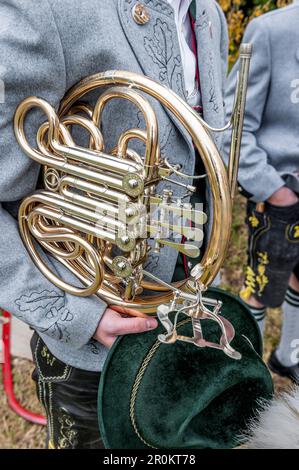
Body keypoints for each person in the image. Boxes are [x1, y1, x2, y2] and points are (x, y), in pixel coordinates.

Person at [0, 0, 229, 448]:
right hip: (96, 345)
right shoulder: (44, 8)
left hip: (187, 314)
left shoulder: (209, 13)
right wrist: (76, 315)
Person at [224, 1, 299, 384]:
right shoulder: (269, 32)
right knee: (262, 283)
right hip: (278, 195)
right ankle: (244, 371)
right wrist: (274, 190)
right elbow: (233, 124)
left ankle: (289, 355)